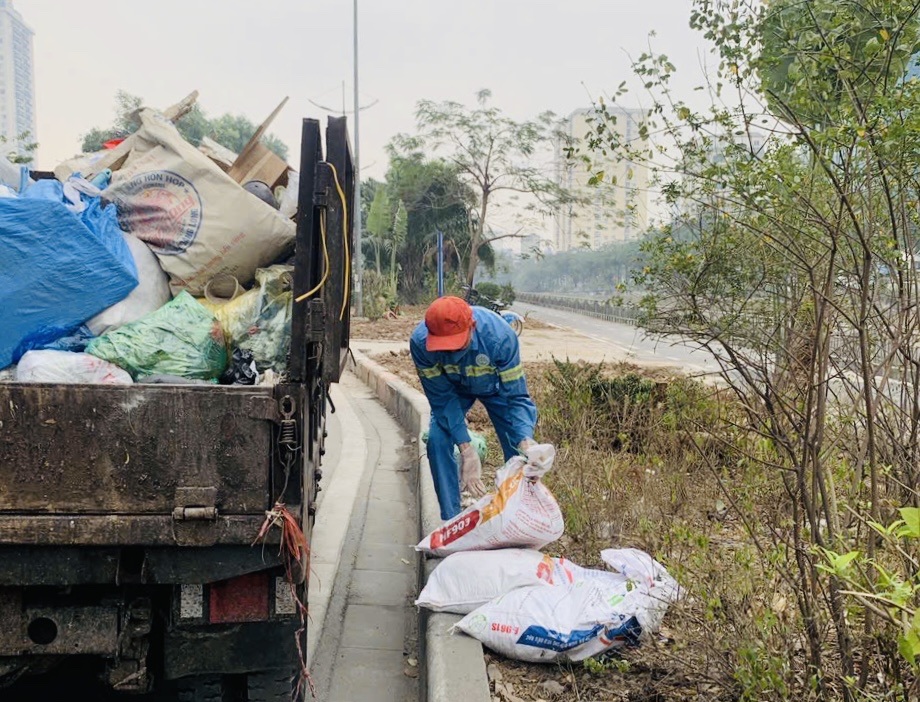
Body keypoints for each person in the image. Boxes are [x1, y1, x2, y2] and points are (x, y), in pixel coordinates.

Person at [410, 295, 537, 520]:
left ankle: (513, 516)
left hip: (497, 389)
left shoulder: (500, 338)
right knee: (438, 440)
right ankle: (451, 520)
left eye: (456, 344)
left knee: (520, 452)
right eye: (443, 347)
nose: (452, 353)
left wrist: (526, 440)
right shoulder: (421, 345)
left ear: (473, 327)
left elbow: (516, 397)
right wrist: (467, 450)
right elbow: (442, 400)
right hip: (454, 390)